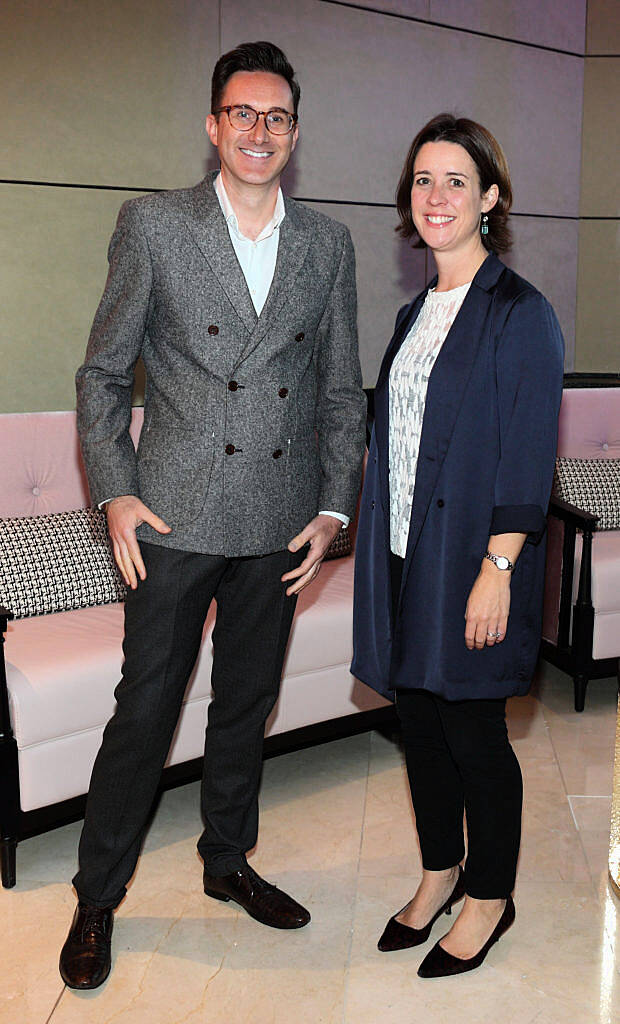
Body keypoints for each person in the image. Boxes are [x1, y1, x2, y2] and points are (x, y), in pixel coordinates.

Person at [60, 40, 366, 990]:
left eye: (275, 117)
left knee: (244, 708)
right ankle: (97, 898)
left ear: (295, 133)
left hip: (277, 523)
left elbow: (337, 393)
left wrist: (330, 506)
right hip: (175, 519)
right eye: (242, 114)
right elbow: (104, 372)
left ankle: (227, 861)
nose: (258, 131)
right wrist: (115, 491)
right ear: (213, 126)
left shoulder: (326, 244)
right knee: (143, 715)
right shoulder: (154, 226)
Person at [352, 114, 564, 978]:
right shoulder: (413, 315)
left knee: (474, 733)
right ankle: (440, 869)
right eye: (423, 181)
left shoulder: (520, 313)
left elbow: (523, 451)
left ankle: (490, 894)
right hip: (405, 557)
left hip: (475, 563)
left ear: (490, 198)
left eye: (455, 181)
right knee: (421, 728)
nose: (436, 197)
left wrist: (498, 567)